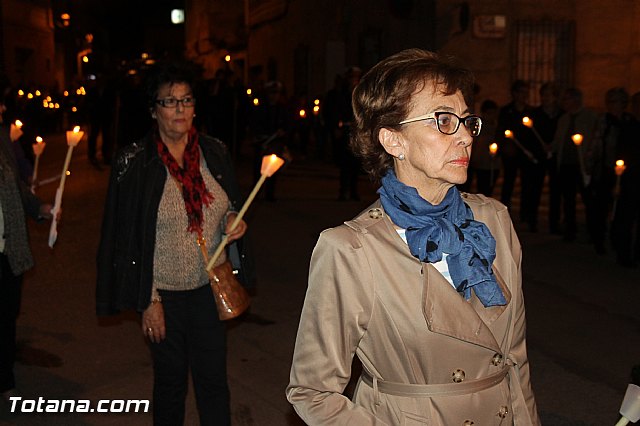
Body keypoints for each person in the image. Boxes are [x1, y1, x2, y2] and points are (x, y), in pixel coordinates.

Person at [287, 49, 540, 425]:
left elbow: (514, 357)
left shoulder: (494, 220)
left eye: (467, 121)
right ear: (393, 141)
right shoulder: (351, 250)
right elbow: (312, 392)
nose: (466, 137)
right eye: (443, 121)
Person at [96, 62, 255, 425]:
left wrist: (232, 219)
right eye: (170, 101)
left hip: (208, 288)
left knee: (213, 382)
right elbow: (126, 238)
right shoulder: (135, 163)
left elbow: (229, 202)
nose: (180, 109)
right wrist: (148, 300)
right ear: (154, 111)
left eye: (186, 100)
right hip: (162, 294)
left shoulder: (213, 152)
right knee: (170, 385)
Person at [0, 93, 53, 402]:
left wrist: (39, 208)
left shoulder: (3, 139)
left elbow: (16, 186)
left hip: (7, 246)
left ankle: (4, 377)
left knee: (6, 314)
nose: (3, 108)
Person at [588, 87, 635, 254]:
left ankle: (621, 244)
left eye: (616, 102)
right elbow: (596, 144)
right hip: (605, 172)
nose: (612, 105)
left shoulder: (630, 122)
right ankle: (599, 240)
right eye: (610, 102)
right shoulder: (604, 121)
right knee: (601, 208)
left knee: (623, 211)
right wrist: (591, 166)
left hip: (625, 174)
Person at [496, 80, 546, 231]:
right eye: (521, 92)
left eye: (526, 93)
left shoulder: (532, 112)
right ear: (514, 94)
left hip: (527, 153)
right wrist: (502, 147)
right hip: (511, 153)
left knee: (528, 184)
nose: (523, 96)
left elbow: (534, 133)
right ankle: (504, 215)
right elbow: (501, 131)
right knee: (508, 182)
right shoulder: (506, 111)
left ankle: (528, 216)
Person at [551, 87, 598, 242]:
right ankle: (570, 229)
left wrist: (590, 157)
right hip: (566, 165)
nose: (563, 103)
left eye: (566, 99)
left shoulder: (590, 117)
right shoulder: (563, 119)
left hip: (582, 165)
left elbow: (594, 139)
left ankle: (594, 231)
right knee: (568, 199)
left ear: (576, 99)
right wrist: (551, 148)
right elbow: (558, 141)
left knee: (589, 199)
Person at [531, 82, 563, 234]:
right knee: (535, 188)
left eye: (549, 95)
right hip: (539, 157)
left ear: (555, 97)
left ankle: (554, 223)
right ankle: (532, 221)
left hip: (555, 157)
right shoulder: (535, 114)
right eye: (543, 95)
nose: (545, 98)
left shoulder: (562, 115)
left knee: (556, 190)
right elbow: (531, 135)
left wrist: (553, 146)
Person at [466, 99, 500, 196]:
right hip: (481, 163)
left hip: (493, 164)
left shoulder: (497, 127)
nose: (492, 116)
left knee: (489, 189)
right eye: (489, 113)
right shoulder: (478, 127)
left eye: (494, 113)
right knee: (481, 189)